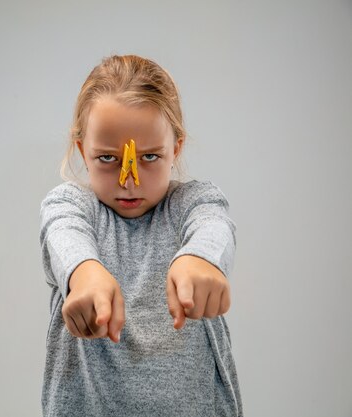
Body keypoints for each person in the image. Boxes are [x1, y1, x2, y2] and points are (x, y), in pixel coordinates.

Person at [39, 55, 243, 417]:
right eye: (107, 158)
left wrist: (201, 257)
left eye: (149, 156)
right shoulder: (71, 206)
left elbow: (213, 222)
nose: (128, 180)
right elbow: (63, 236)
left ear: (176, 148)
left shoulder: (191, 203)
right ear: (81, 148)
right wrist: (85, 275)